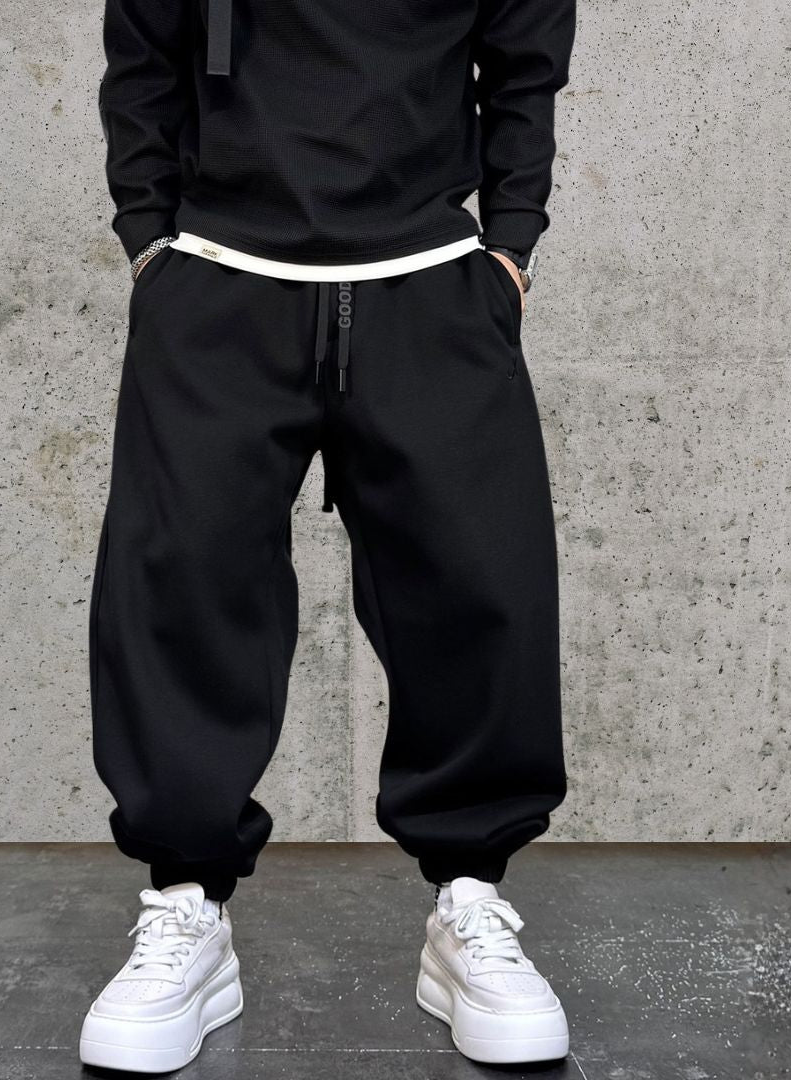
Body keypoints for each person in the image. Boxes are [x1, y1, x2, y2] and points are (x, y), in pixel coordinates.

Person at [79, 0, 575, 1070]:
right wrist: (149, 239)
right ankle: (187, 906)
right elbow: (143, 54)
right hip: (218, 273)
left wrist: (512, 243)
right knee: (179, 586)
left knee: (481, 590)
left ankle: (469, 902)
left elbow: (524, 63)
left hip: (429, 278)